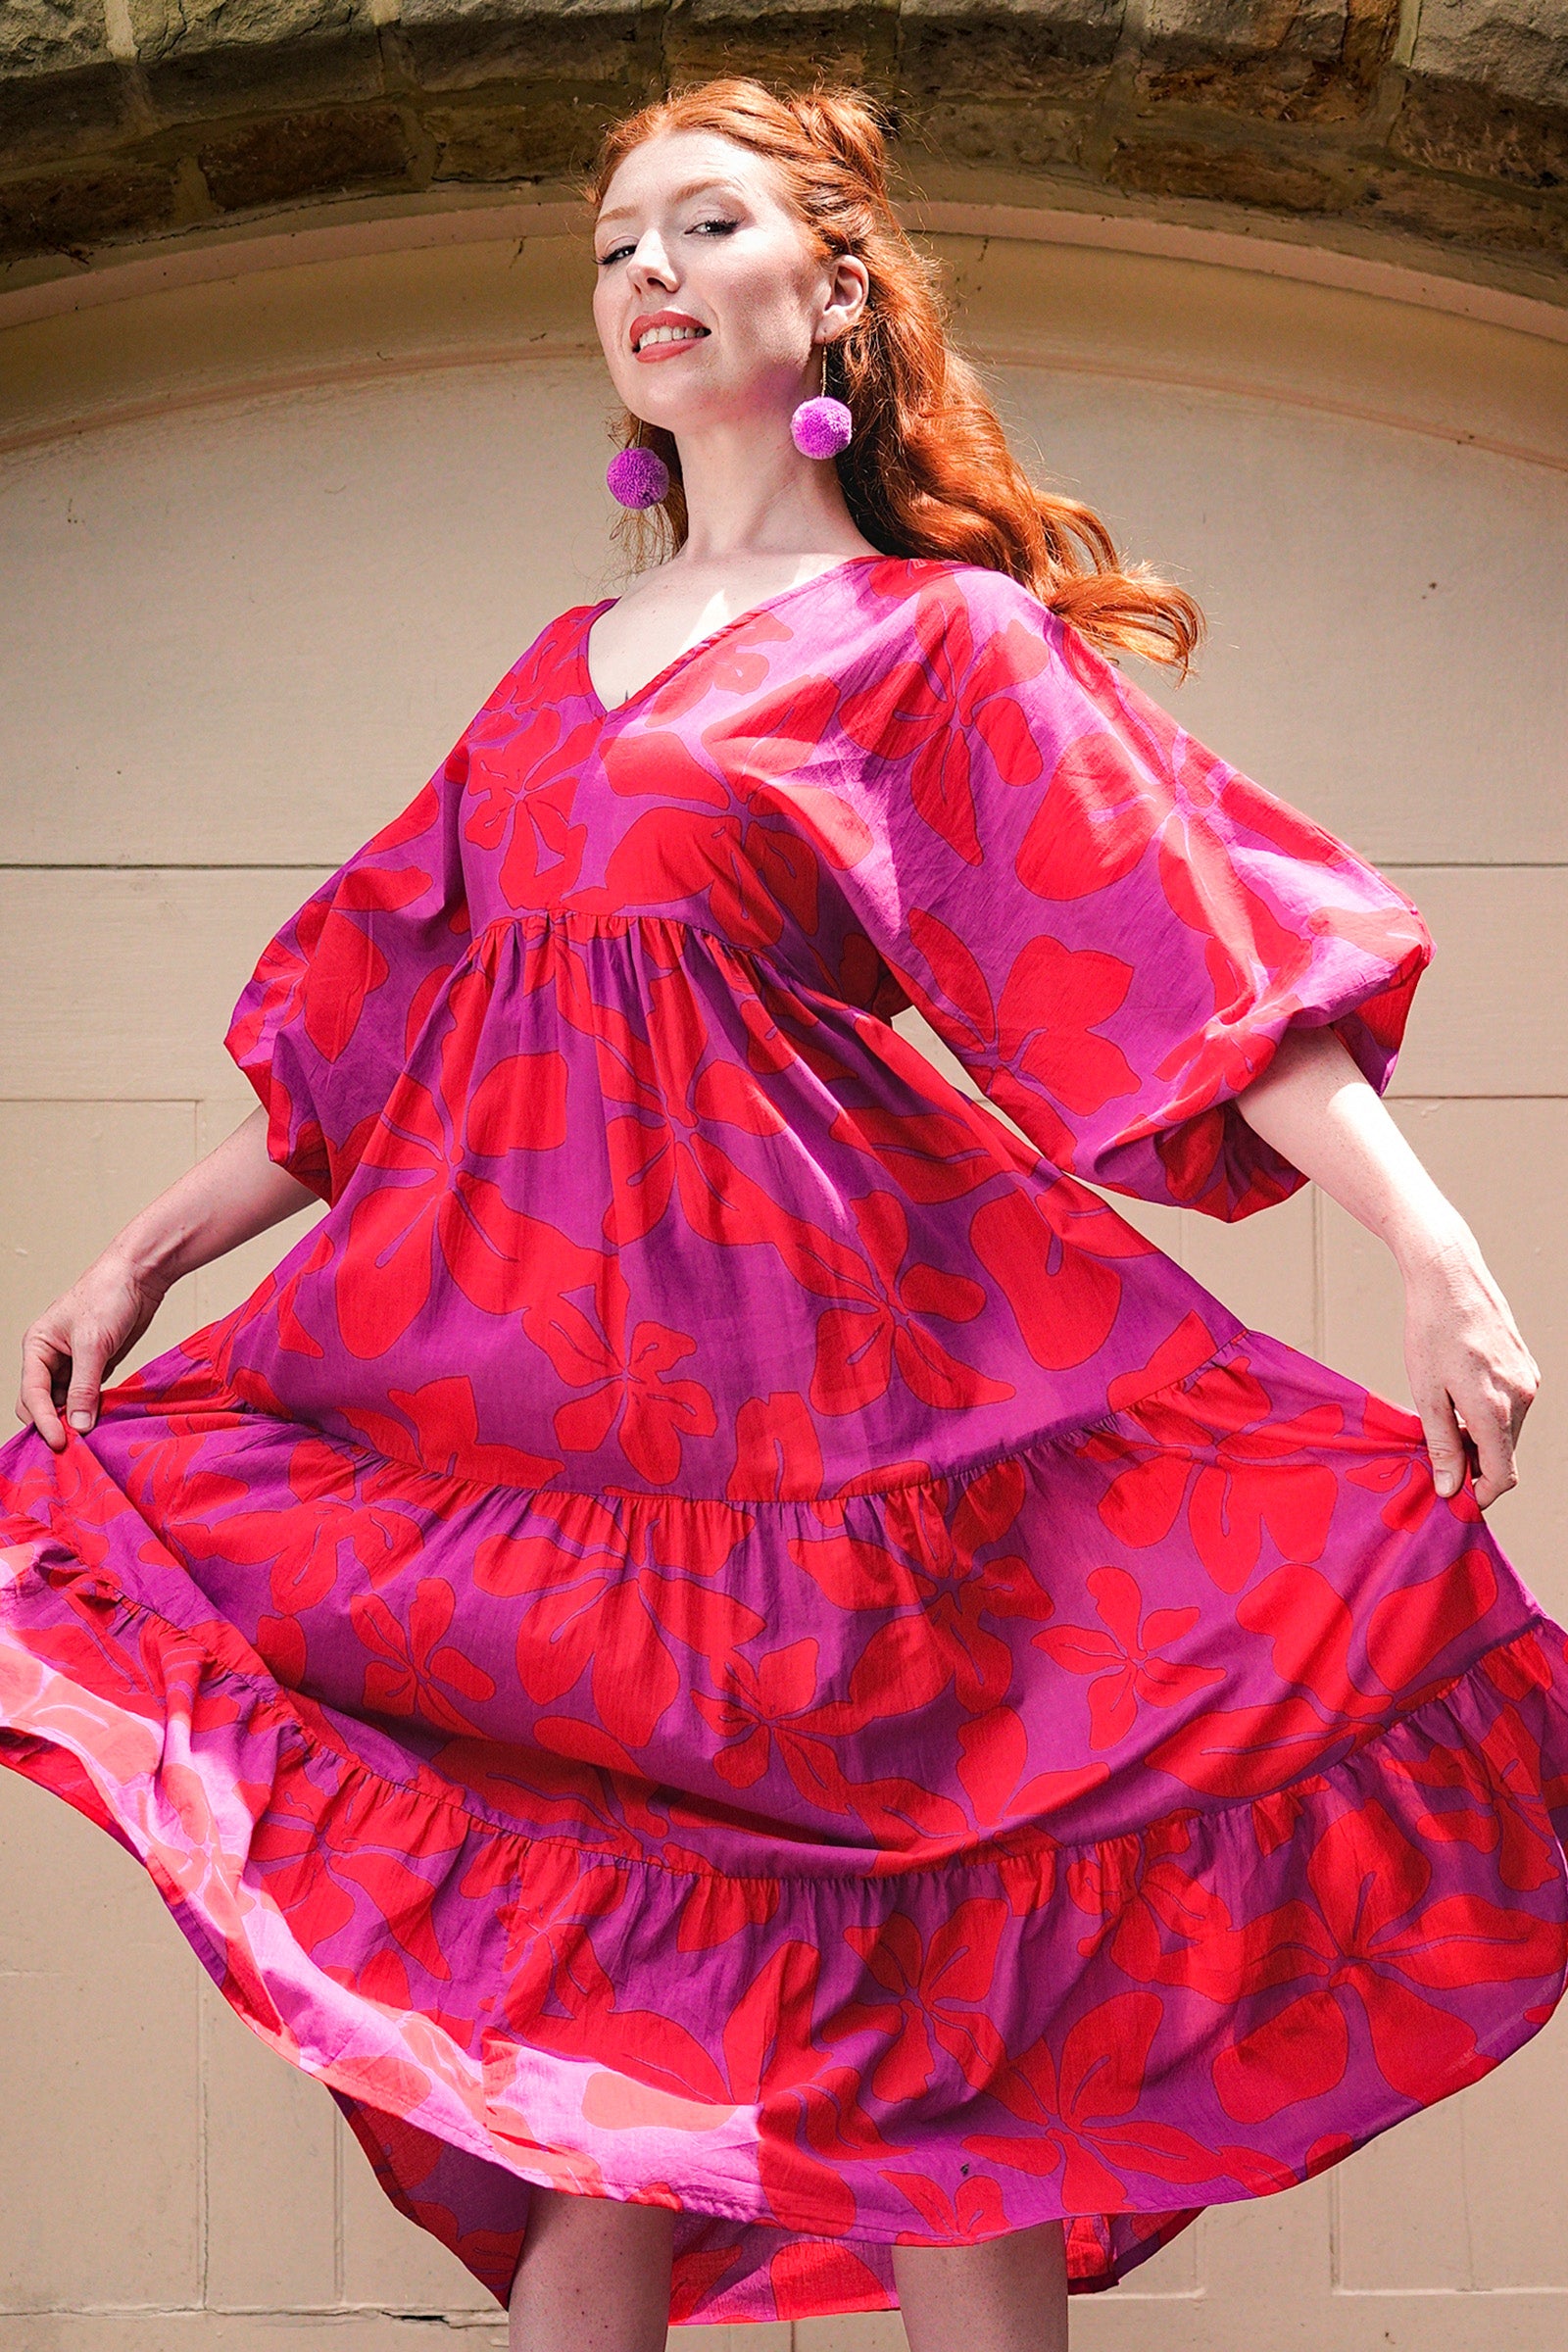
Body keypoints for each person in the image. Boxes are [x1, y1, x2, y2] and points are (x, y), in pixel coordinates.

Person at [3, 72, 1557, 2352]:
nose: (645, 271)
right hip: (549, 1437)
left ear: (832, 293)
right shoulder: (552, 678)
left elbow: (1187, 960)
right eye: (612, 243)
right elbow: (382, 1033)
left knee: (934, 2012)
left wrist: (1433, 1250)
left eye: (703, 225)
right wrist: (140, 1256)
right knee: (591, 2062)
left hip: (848, 1417)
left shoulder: (931, 643)